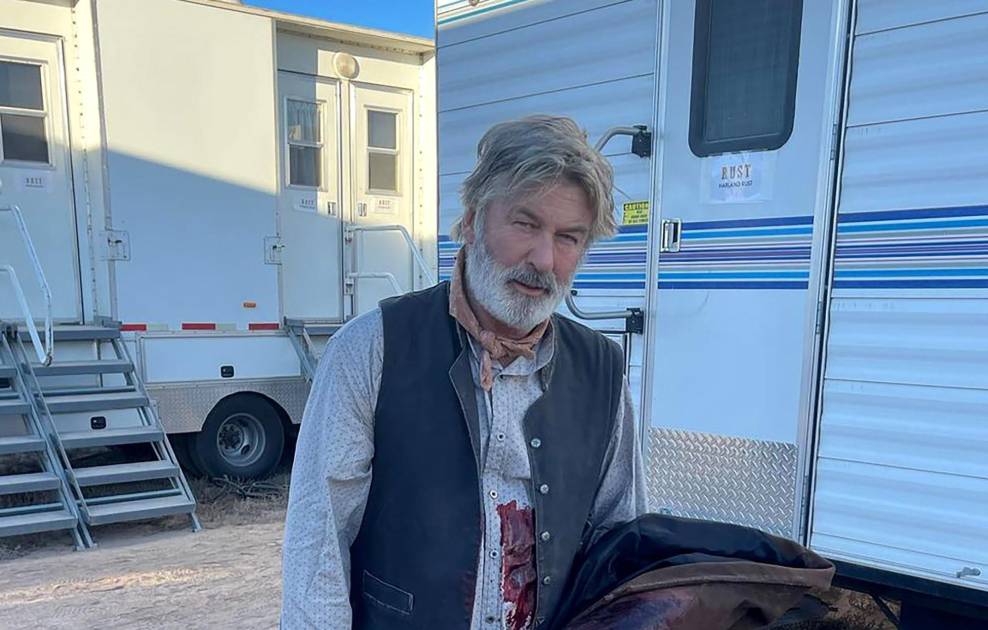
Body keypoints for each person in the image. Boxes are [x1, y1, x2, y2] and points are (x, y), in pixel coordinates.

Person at [280, 115, 646, 630]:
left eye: (568, 237)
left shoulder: (602, 371)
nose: (544, 259)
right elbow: (318, 545)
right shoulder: (371, 349)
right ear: (472, 220)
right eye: (525, 224)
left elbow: (621, 542)